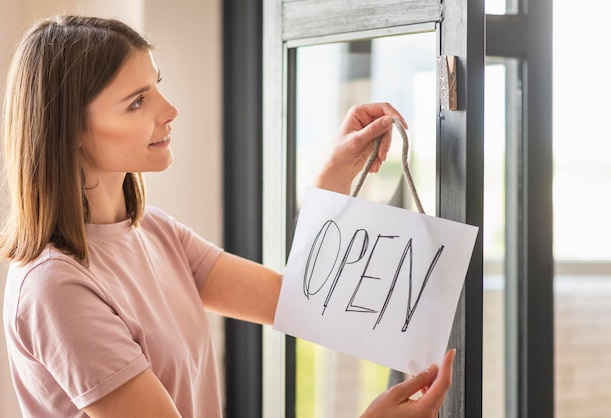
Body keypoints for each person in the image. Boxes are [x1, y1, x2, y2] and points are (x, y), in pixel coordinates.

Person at [0, 14, 455, 418]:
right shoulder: (56, 286)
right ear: (70, 131)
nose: (169, 110)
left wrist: (333, 174)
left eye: (157, 86)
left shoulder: (154, 232)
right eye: (137, 101)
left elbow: (297, 303)